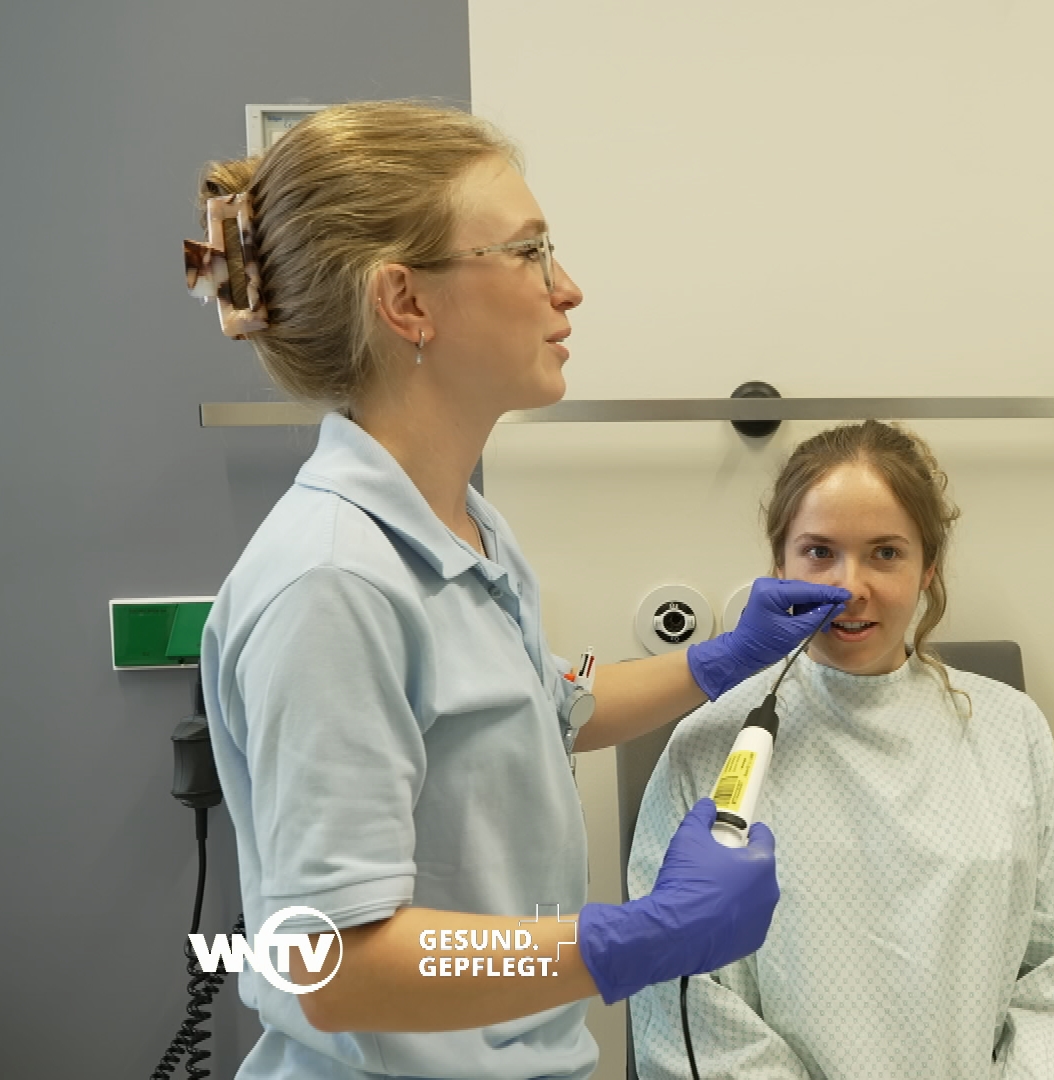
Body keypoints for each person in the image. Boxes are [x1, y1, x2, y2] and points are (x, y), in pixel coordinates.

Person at [188, 101, 847, 1080]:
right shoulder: (332, 586)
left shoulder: (464, 528)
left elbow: (546, 700)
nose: (567, 288)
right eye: (531, 252)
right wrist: (635, 939)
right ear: (406, 302)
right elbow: (333, 968)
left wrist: (717, 660)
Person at [627, 420, 1054, 1080]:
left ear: (927, 570)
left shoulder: (1010, 728)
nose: (850, 586)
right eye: (819, 552)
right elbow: (681, 998)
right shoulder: (713, 744)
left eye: (885, 553)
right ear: (779, 568)